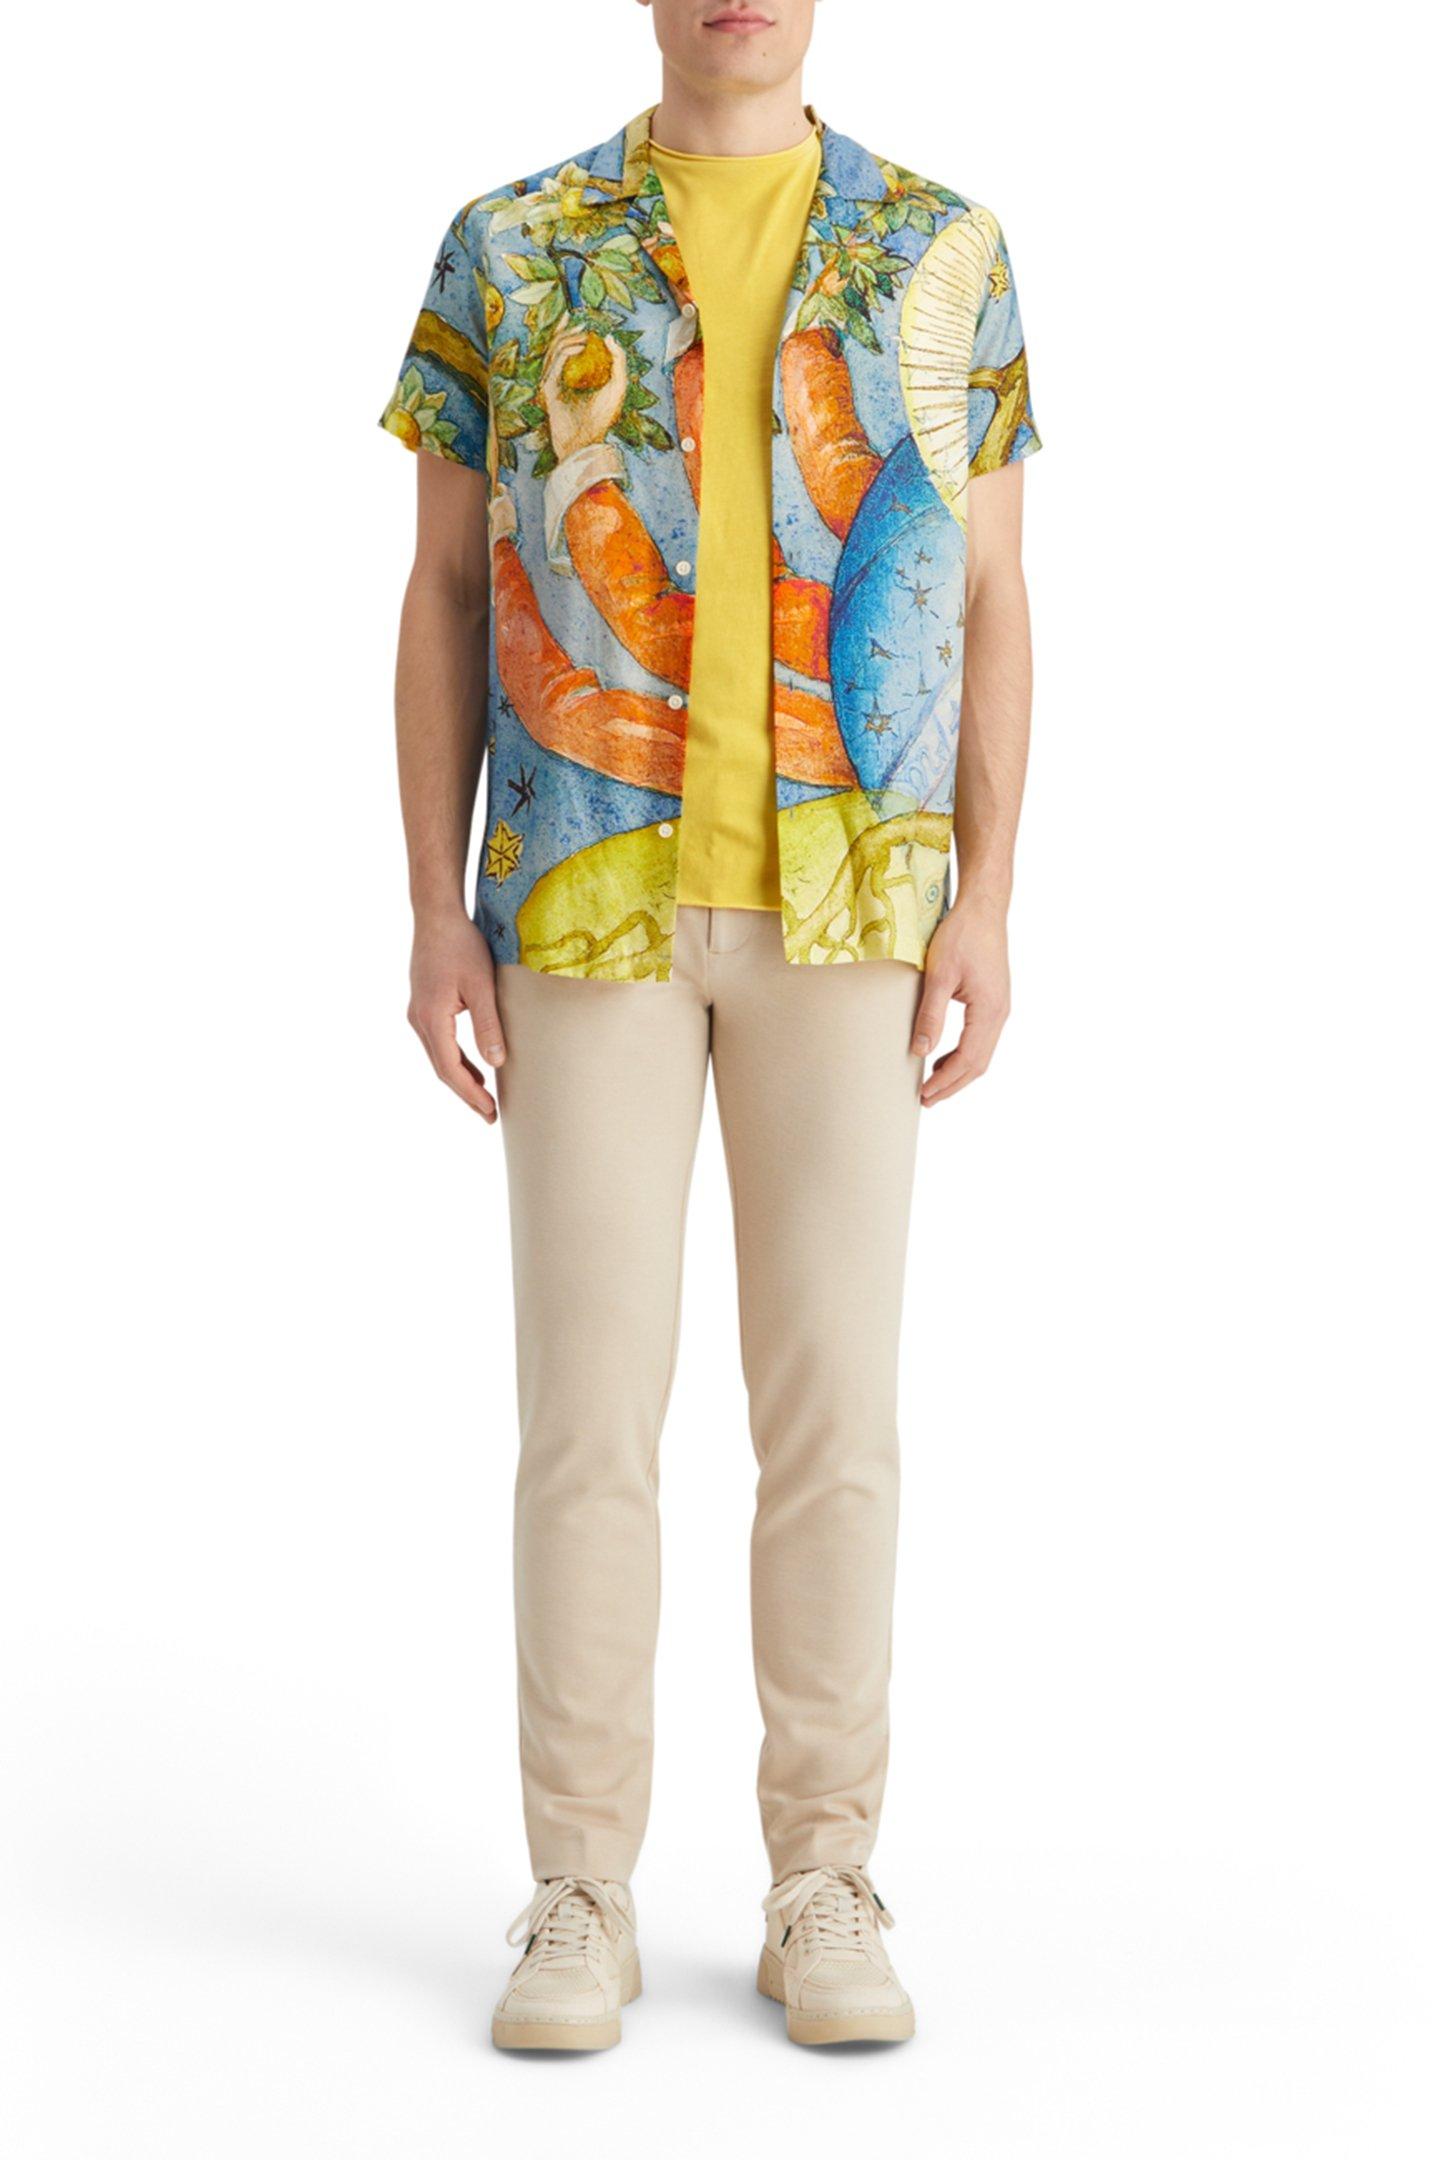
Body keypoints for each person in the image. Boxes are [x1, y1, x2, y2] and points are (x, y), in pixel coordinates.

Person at [382, 0, 1039, 2051]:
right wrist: (434, 909)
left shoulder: (942, 249)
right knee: (588, 1417)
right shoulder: (513, 247)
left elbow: (994, 598)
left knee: (833, 1414)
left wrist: (987, 901)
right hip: (586, 898)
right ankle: (577, 1890)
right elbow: (441, 595)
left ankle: (822, 1881)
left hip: (850, 901)